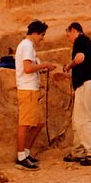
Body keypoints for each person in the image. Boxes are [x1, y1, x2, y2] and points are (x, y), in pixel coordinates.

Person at [15, 21, 56, 170]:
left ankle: (25, 152)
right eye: (42, 35)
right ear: (35, 33)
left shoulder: (28, 46)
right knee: (24, 124)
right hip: (27, 89)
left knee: (38, 122)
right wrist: (44, 65)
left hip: (31, 89)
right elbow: (27, 68)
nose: (42, 38)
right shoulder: (27, 46)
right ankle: (21, 156)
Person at [63, 22, 91, 166]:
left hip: (87, 83)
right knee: (78, 119)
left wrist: (69, 65)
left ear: (74, 30)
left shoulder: (80, 40)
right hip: (87, 83)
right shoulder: (86, 41)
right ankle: (78, 151)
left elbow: (80, 58)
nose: (68, 38)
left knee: (84, 118)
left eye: (68, 34)